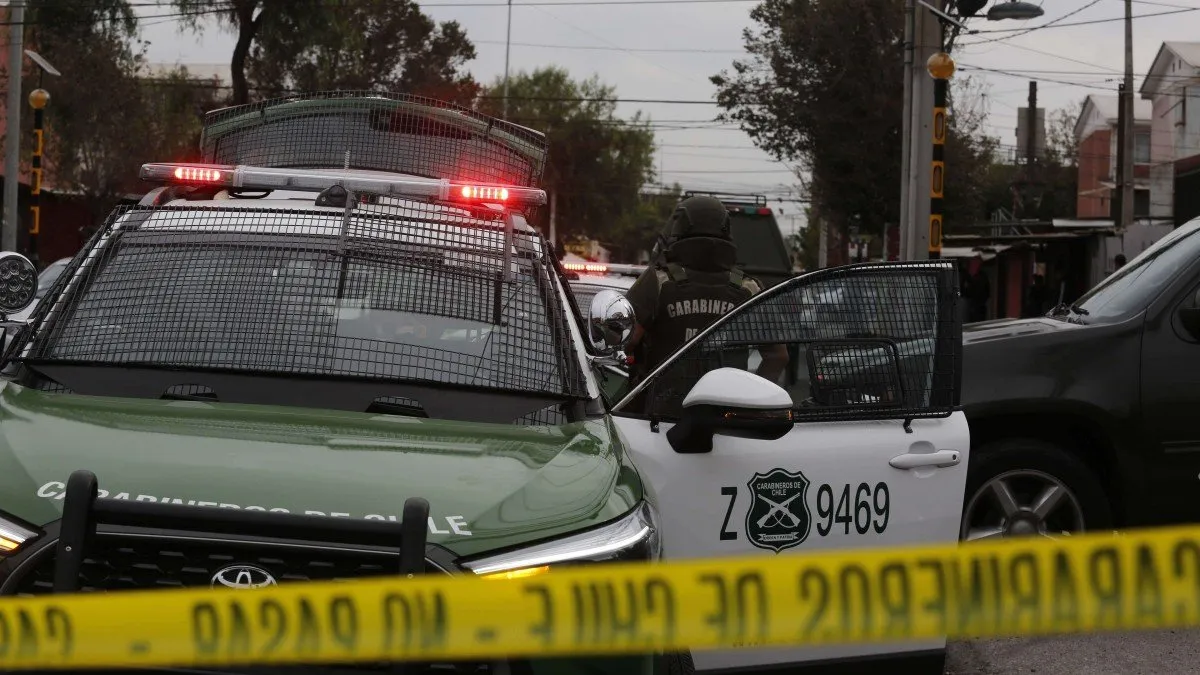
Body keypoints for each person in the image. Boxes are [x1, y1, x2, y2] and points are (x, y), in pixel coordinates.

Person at [624, 195, 788, 393]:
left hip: (661, 415)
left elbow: (626, 341)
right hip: (726, 412)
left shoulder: (658, 281)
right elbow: (778, 356)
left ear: (681, 227)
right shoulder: (748, 288)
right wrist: (750, 399)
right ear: (726, 229)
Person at [960, 254, 990, 323]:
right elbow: (959, 290)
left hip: (978, 307)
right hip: (966, 307)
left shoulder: (983, 276)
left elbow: (987, 293)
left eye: (977, 263)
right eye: (974, 262)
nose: (975, 265)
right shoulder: (964, 275)